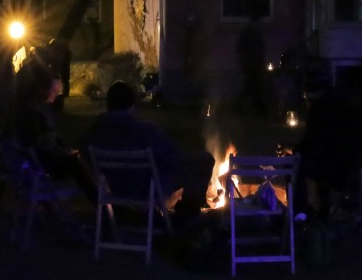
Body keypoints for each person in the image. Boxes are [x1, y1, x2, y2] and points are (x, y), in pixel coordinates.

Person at [83, 81, 215, 216]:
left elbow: (86, 160)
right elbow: (174, 159)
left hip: (113, 189)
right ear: (132, 106)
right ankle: (187, 215)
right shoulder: (146, 131)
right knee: (204, 160)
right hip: (145, 189)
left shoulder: (94, 134)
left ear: (108, 105)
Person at [277, 69, 362, 220]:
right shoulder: (344, 102)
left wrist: (289, 149)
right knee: (306, 160)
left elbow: (312, 147)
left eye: (305, 94)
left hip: (336, 170)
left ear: (309, 92)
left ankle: (298, 214)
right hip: (355, 167)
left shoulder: (319, 108)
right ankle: (319, 209)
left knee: (293, 163)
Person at [13, 68, 97, 202]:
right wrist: (65, 152)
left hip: (42, 157)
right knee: (77, 164)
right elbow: (39, 142)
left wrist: (67, 149)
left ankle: (102, 200)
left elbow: (51, 136)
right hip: (40, 161)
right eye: (55, 91)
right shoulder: (32, 111)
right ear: (42, 89)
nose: (57, 95)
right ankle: (101, 201)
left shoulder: (38, 107)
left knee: (79, 162)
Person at [235, 13, 268, 115]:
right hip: (250, 64)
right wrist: (244, 61)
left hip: (254, 64)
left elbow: (260, 49)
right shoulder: (248, 34)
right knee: (252, 86)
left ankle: (259, 108)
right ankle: (259, 109)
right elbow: (242, 49)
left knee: (253, 86)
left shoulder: (256, 34)